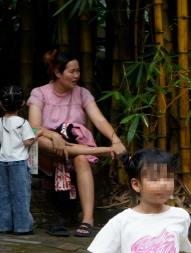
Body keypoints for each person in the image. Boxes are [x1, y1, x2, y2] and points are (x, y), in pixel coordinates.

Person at [28, 50, 126, 237]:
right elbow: (33, 128)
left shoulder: (82, 93)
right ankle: (101, 151)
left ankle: (87, 219)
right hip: (47, 151)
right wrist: (53, 135)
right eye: (71, 71)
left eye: (78, 71)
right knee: (40, 141)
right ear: (58, 73)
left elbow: (99, 120)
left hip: (74, 149)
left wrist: (115, 139)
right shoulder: (39, 93)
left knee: (80, 158)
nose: (76, 76)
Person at [0, 85, 36, 235]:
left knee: (3, 194)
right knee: (21, 194)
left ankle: (4, 225)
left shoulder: (0, 121)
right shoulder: (23, 123)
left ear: (1, 104)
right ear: (22, 104)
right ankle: (22, 227)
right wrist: (36, 136)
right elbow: (28, 141)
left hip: (2, 161)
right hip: (19, 163)